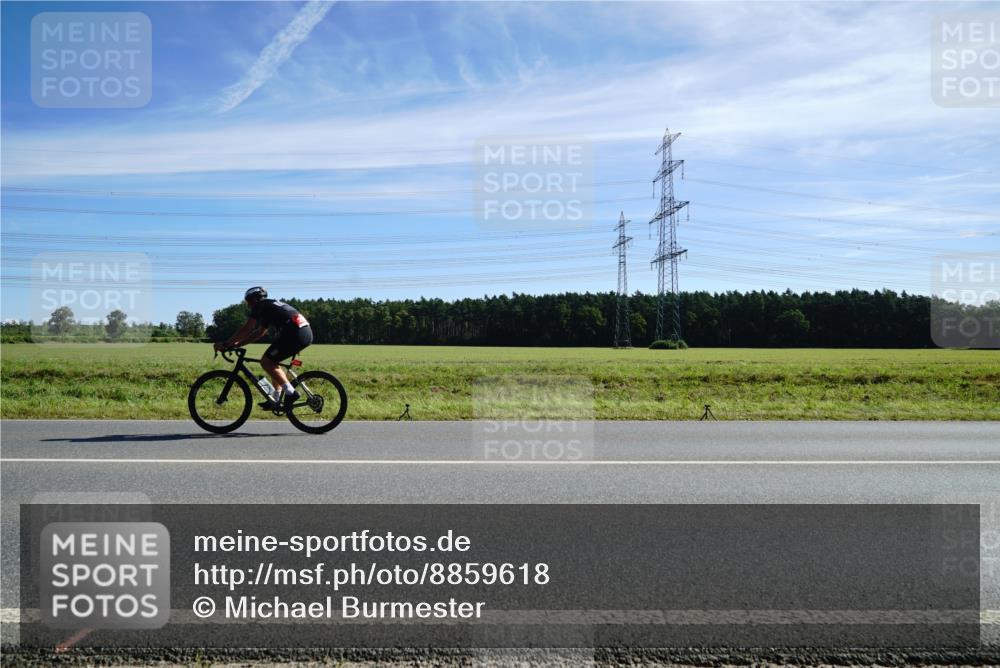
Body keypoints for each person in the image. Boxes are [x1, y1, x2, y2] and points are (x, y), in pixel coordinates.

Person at [214, 287, 313, 410]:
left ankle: (291, 393)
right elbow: (260, 332)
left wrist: (226, 344)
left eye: (249, 301)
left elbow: (247, 328)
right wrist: (238, 344)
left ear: (256, 299)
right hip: (303, 332)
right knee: (273, 362)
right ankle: (276, 397)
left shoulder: (260, 305)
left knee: (266, 362)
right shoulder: (269, 306)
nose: (249, 305)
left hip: (294, 333)